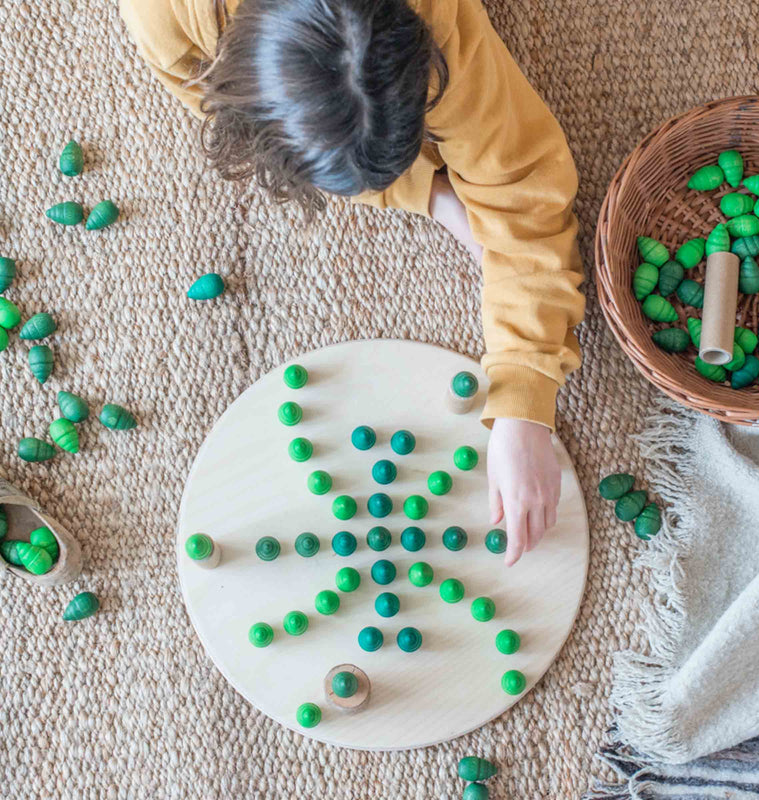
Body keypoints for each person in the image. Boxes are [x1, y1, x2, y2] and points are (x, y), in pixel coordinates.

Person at [120, 0, 585, 566]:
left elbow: (524, 190)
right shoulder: (163, 20)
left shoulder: (446, 28)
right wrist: (431, 195)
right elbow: (212, 106)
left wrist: (524, 395)